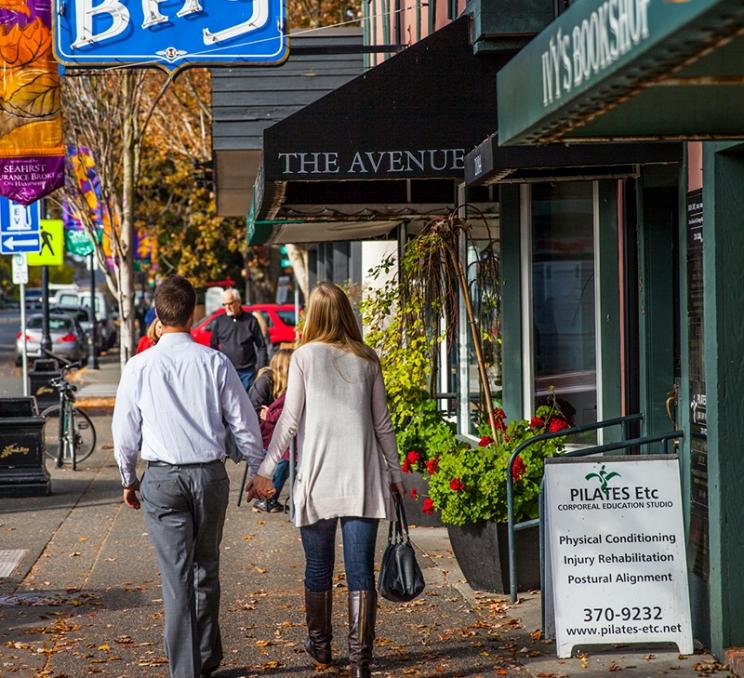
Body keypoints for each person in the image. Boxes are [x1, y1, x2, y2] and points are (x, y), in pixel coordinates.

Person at [249, 282, 405, 678]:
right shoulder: (368, 360)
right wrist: (396, 472)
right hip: (363, 480)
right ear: (346, 313)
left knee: (318, 568)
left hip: (316, 481)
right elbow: (382, 424)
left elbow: (289, 421)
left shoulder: (303, 357)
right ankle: (360, 661)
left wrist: (265, 471)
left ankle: (320, 646)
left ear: (313, 316)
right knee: (360, 572)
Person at [112, 275, 264, 678]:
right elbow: (244, 422)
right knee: (206, 568)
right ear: (194, 313)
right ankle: (205, 654)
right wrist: (258, 468)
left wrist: (128, 478)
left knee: (176, 577)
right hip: (209, 477)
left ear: (159, 316)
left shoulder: (139, 366)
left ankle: (186, 668)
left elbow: (125, 432)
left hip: (161, 480)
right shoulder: (214, 362)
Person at [248, 348, 292, 513]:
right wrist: (269, 417)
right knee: (285, 456)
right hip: (262, 433)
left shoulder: (292, 385)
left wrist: (272, 415)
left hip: (280, 430)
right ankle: (266, 499)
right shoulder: (266, 381)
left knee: (293, 454)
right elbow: (254, 410)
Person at [210, 288, 267, 391]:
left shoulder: (250, 320)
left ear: (239, 302)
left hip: (247, 371)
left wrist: (262, 368)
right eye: (224, 304)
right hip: (227, 370)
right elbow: (213, 346)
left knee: (246, 401)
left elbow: (261, 345)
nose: (227, 307)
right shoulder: (219, 321)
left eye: (230, 303)